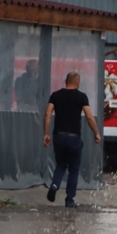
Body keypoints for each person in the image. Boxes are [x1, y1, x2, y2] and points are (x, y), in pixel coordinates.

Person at [43, 71, 101, 208]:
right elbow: (89, 117)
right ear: (77, 82)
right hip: (74, 138)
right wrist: (96, 132)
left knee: (61, 164)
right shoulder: (81, 97)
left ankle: (54, 185)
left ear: (65, 81)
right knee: (74, 169)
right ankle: (69, 200)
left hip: (59, 136)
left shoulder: (55, 95)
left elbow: (47, 114)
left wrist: (46, 133)